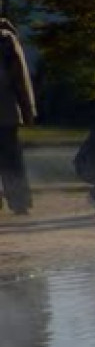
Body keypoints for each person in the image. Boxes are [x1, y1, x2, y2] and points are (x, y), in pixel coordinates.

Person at [0, 18, 37, 216]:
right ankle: (19, 201)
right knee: (11, 158)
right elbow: (20, 78)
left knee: (10, 157)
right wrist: (27, 109)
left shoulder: (5, 39)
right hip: (4, 110)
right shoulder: (6, 39)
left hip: (4, 109)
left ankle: (19, 201)